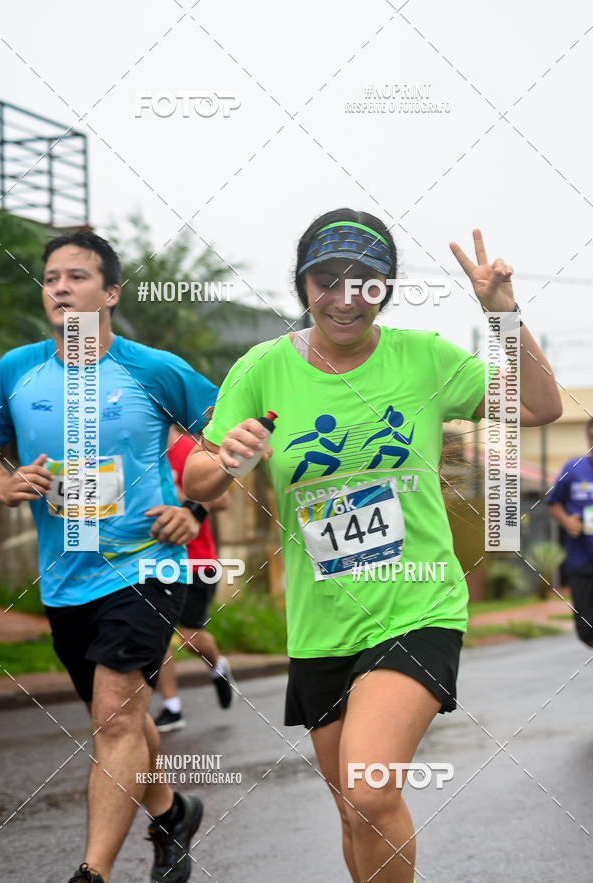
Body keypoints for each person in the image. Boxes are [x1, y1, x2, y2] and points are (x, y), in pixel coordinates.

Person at [181, 208, 562, 882]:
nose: (345, 298)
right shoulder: (262, 368)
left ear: (387, 287)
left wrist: (503, 314)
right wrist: (228, 455)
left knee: (368, 790)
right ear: (302, 285)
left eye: (365, 282)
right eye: (326, 281)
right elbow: (198, 478)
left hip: (418, 606)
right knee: (354, 812)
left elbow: (539, 406)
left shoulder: (424, 357)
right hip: (320, 623)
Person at [0, 231, 218, 883]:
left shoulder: (156, 369)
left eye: (77, 277)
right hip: (66, 577)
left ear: (111, 292)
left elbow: (230, 438)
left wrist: (195, 508)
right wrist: (3, 482)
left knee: (116, 715)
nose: (60, 288)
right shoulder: (14, 371)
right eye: (51, 278)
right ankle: (171, 812)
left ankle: (93, 872)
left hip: (149, 563)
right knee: (118, 716)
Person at [154, 425, 234, 733]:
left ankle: (218, 666)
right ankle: (172, 707)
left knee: (189, 637)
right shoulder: (141, 450)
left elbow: (223, 501)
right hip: (153, 560)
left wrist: (172, 494)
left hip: (196, 561)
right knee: (156, 634)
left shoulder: (190, 448)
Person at [546, 418, 593, 646]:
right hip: (581, 560)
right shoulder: (573, 468)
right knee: (586, 630)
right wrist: (566, 521)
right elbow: (553, 502)